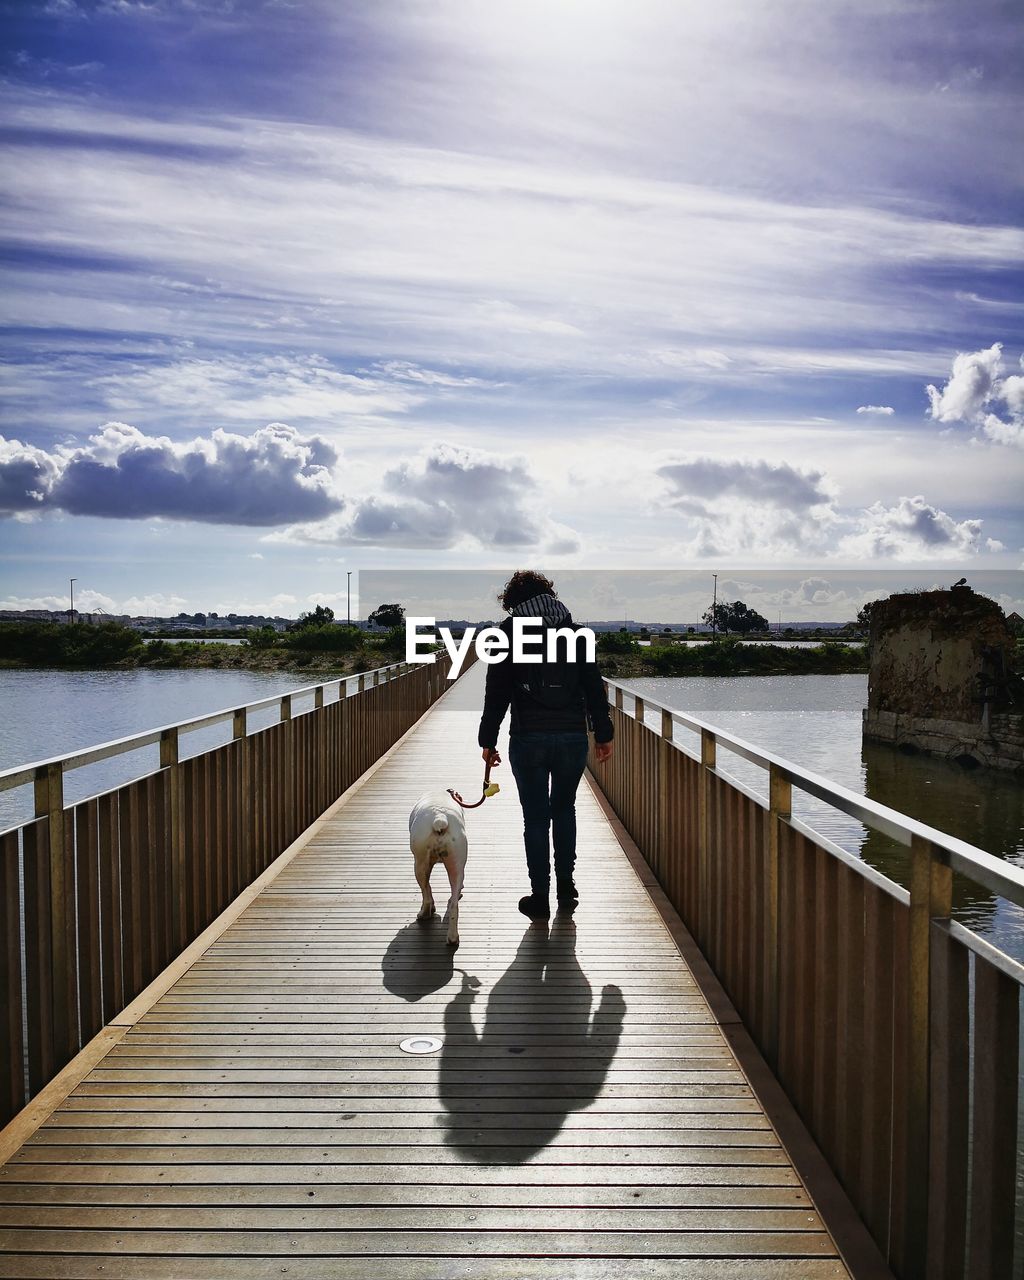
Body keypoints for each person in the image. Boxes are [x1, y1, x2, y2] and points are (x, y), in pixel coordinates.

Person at [477, 570, 614, 919]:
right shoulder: (576, 634)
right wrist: (603, 733)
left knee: (536, 819)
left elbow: (496, 695)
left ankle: (540, 896)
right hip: (571, 737)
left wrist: (487, 741)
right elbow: (593, 687)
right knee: (564, 810)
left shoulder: (506, 635)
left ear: (512, 601)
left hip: (528, 739)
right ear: (549, 596)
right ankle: (566, 885)